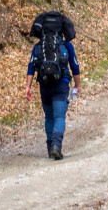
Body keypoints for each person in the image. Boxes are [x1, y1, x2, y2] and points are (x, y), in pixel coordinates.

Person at [25, 11, 81, 160]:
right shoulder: (66, 46)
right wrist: (77, 85)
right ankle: (57, 146)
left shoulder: (38, 47)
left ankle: (50, 148)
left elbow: (31, 67)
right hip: (61, 84)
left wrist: (28, 87)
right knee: (59, 117)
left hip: (44, 86)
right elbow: (75, 66)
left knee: (49, 117)